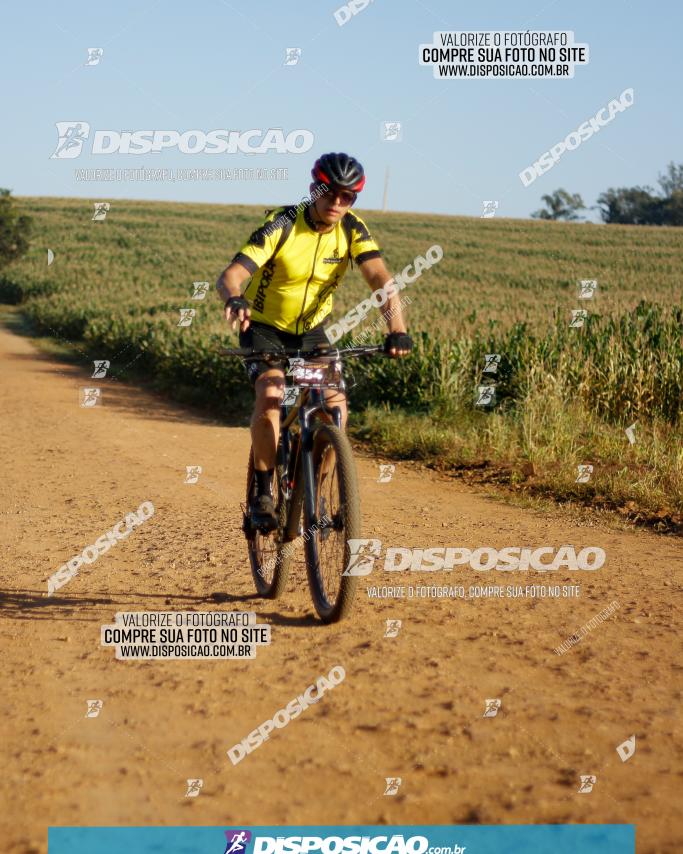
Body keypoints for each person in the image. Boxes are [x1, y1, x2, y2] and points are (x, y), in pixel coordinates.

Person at [216, 152, 412, 530]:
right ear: (314, 189)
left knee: (335, 405)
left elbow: (380, 281)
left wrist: (397, 330)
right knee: (271, 394)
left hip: (311, 332)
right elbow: (231, 275)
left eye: (348, 197)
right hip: (264, 326)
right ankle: (262, 493)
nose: (338, 203)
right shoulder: (284, 222)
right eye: (331, 193)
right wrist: (234, 298)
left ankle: (316, 493)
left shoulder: (352, 228)